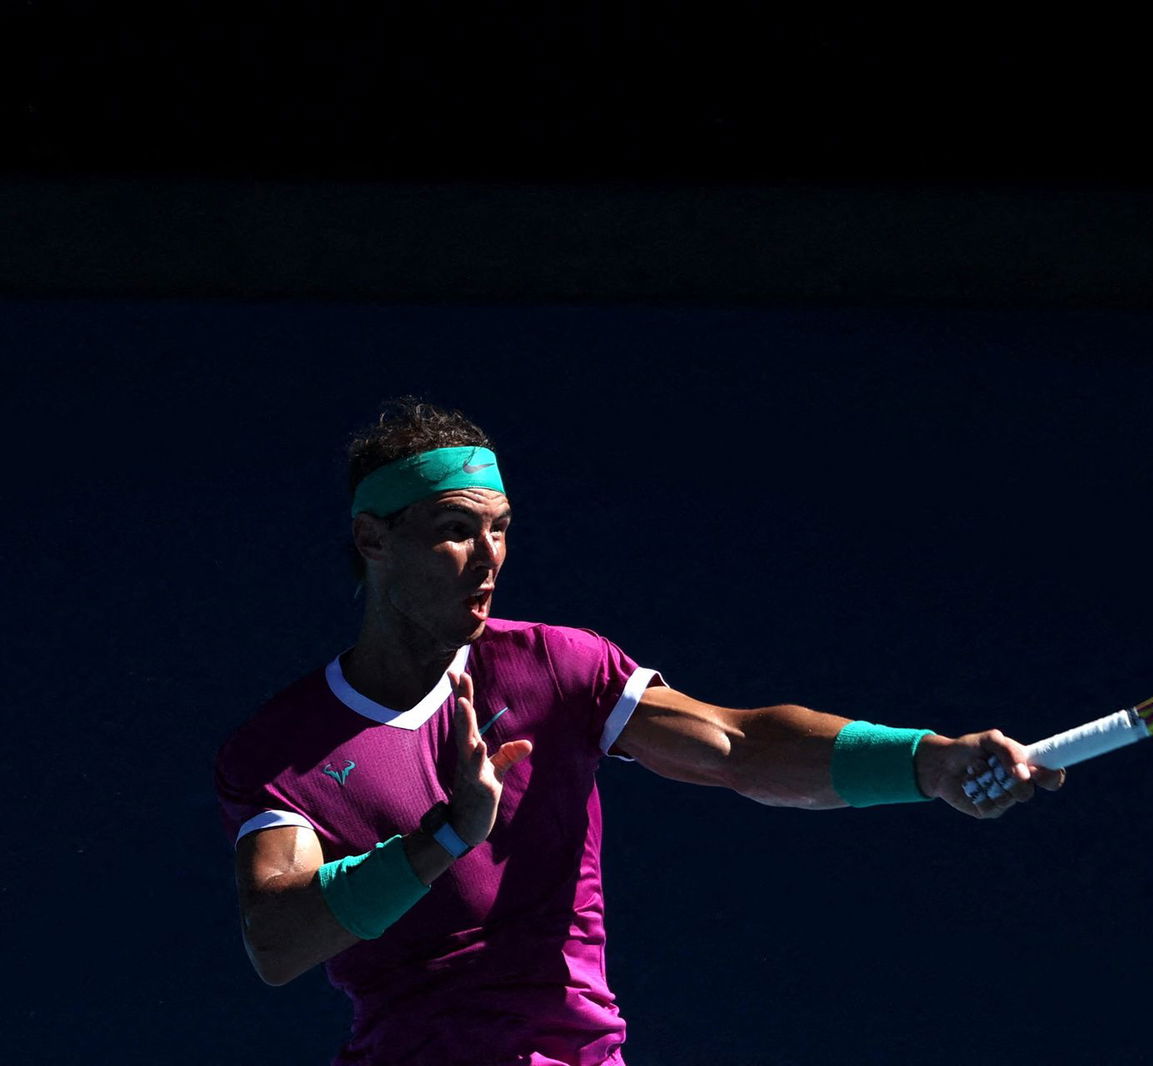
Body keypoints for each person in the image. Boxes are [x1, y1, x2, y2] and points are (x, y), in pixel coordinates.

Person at [215, 398, 1063, 1066]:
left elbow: (738, 746)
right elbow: (277, 940)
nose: (489, 555)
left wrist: (927, 761)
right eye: (454, 531)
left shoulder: (556, 668)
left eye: (501, 526)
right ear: (372, 540)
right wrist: (444, 839)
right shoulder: (285, 747)